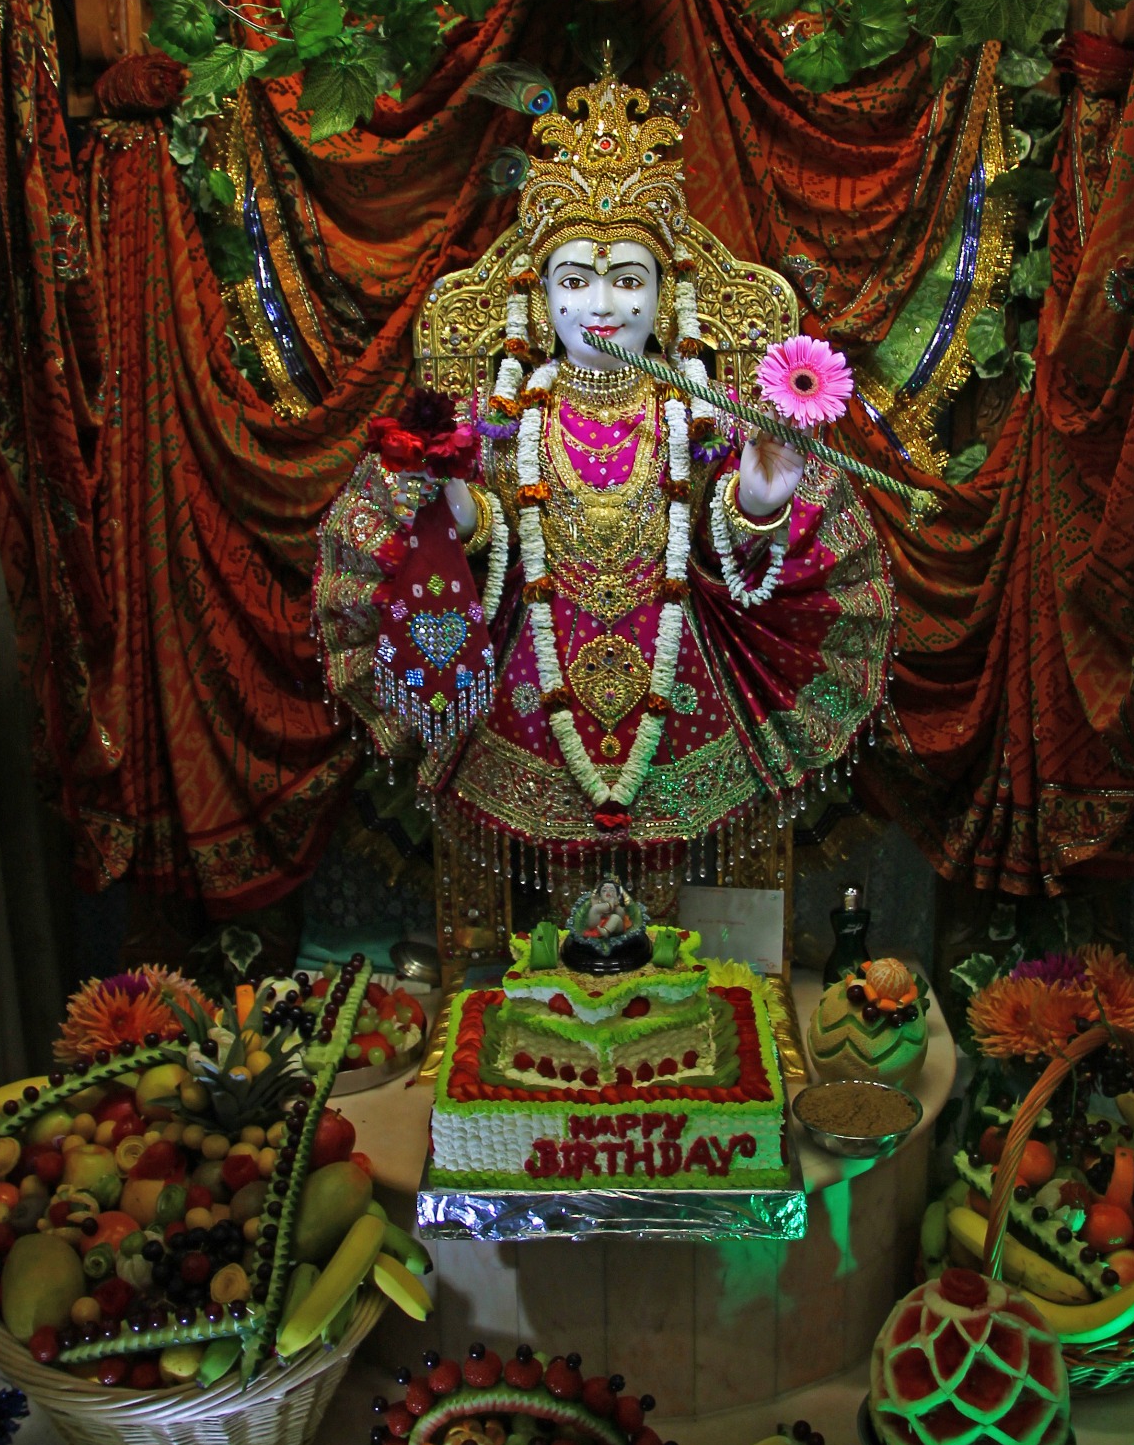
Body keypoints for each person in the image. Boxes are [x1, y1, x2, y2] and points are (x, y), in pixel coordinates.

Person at [315, 75, 893, 890]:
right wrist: (449, 491)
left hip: (684, 673)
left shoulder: (701, 410)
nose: (602, 307)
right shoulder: (501, 413)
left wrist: (761, 500)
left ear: (663, 300)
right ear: (541, 298)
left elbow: (723, 535)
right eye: (575, 282)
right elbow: (479, 536)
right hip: (527, 686)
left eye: (628, 280)